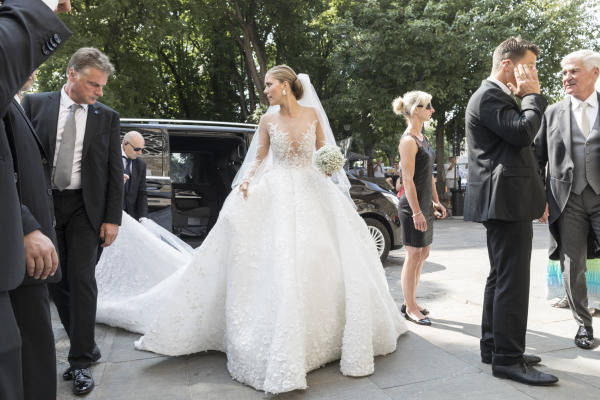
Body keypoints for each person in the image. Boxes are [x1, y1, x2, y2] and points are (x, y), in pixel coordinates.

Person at [93, 65, 407, 394]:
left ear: (286, 86)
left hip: (313, 190)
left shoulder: (313, 114)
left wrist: (329, 166)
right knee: (278, 257)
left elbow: (321, 154)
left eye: (270, 84)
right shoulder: (267, 120)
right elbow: (259, 156)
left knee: (322, 256)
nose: (266, 90)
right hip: (277, 190)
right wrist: (247, 179)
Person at [22, 47, 122, 395]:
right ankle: (87, 345)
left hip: (85, 209)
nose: (99, 92)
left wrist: (112, 218)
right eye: (94, 85)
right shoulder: (34, 105)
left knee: (81, 280)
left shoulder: (107, 117)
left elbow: (114, 170)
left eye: (102, 87)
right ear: (72, 75)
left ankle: (80, 362)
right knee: (54, 280)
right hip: (43, 206)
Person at [464, 37, 558, 385]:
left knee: (501, 277)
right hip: (504, 201)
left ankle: (495, 347)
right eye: (529, 66)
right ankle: (508, 359)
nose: (534, 73)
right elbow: (522, 134)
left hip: (506, 199)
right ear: (508, 65)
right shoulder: (490, 95)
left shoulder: (495, 97)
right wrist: (533, 96)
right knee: (512, 282)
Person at [0, 1, 71, 399]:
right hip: (15, 250)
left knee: (37, 358)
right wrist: (25, 225)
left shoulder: (12, 102)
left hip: (26, 262)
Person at [534, 49, 600, 350]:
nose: (566, 77)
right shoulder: (553, 113)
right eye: (564, 72)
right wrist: (539, 198)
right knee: (573, 265)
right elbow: (536, 158)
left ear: (594, 72)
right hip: (567, 198)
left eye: (573, 71)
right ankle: (584, 325)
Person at [393, 91, 447, 326]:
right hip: (411, 206)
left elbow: (429, 177)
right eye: (427, 106)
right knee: (413, 254)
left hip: (425, 204)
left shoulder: (423, 138)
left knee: (423, 254)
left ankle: (411, 301)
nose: (432, 110)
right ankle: (410, 307)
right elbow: (407, 180)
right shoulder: (408, 141)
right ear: (416, 110)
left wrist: (436, 201)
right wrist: (416, 211)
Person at [122, 131, 148, 221]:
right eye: (137, 149)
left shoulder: (141, 164)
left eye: (142, 149)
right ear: (125, 143)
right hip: (110, 216)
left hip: (131, 218)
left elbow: (142, 192)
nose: (140, 153)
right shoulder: (111, 157)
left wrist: (143, 216)